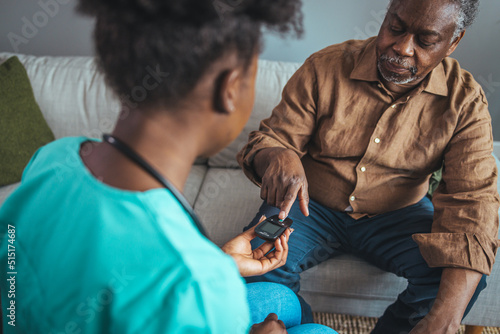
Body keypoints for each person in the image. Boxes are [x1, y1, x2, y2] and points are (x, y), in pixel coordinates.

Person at [0, 0, 337, 333]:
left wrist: (219, 262)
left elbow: (14, 275)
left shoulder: (53, 157)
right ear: (229, 89)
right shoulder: (204, 293)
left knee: (283, 300)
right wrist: (208, 273)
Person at [237, 0, 500, 333]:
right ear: (386, 16)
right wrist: (276, 155)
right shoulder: (325, 67)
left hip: (398, 214)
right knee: (254, 265)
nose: (402, 47)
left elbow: (474, 203)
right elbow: (270, 140)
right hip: (310, 205)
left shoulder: (465, 102)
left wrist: (446, 317)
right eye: (396, 27)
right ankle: (301, 326)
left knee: (458, 286)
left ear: (453, 42)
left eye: (425, 40)